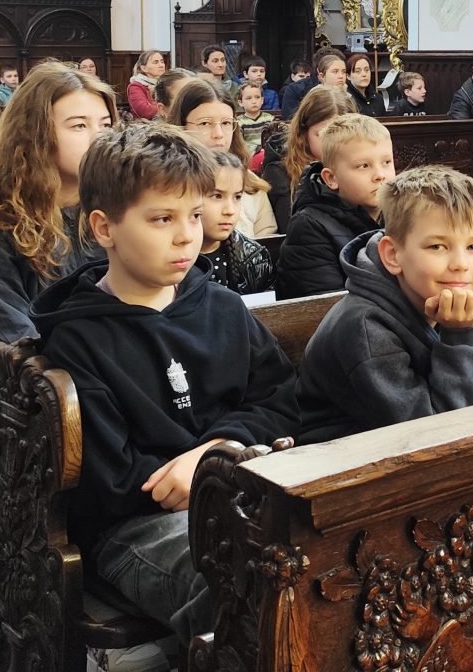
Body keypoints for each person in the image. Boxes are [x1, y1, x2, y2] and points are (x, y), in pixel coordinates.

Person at [31, 122, 298, 639]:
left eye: (194, 215)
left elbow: (280, 400)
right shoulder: (77, 339)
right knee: (243, 578)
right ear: (104, 228)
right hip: (136, 527)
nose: (186, 235)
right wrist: (213, 471)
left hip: (240, 490)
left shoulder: (223, 307)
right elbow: (113, 483)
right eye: (162, 219)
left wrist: (216, 452)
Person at [0, 64, 117, 415]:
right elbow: (14, 347)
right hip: (11, 404)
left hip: (96, 387)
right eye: (79, 126)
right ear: (37, 135)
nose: (100, 139)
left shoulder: (113, 211)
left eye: (105, 125)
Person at [296, 165, 473, 442]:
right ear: (393, 255)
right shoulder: (364, 327)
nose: (461, 265)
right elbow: (428, 435)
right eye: (437, 247)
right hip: (347, 456)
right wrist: (460, 337)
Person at [274, 113, 393, 298]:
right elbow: (325, 304)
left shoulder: (399, 214)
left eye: (386, 162)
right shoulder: (309, 227)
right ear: (331, 178)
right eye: (363, 166)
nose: (380, 175)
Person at [169, 78, 277, 238]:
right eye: (205, 123)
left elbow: (266, 237)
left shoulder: (249, 182)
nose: (219, 134)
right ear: (182, 126)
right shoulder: (165, 184)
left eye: (226, 123)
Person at [264, 84, 356, 222]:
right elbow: (289, 226)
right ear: (304, 132)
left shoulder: (361, 165)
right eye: (321, 134)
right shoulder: (280, 172)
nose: (331, 144)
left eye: (341, 134)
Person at [198, 150, 275, 296]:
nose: (230, 210)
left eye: (237, 197)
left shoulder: (254, 258)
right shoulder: (172, 261)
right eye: (217, 196)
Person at [126, 50, 170, 120]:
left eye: (162, 61)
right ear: (144, 68)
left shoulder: (168, 83)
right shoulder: (135, 86)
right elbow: (145, 111)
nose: (161, 65)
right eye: (155, 62)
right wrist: (169, 107)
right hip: (145, 124)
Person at [236, 82, 276, 155]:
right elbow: (240, 145)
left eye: (257, 97)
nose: (254, 101)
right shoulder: (239, 122)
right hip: (249, 155)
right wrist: (257, 150)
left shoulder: (269, 119)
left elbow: (275, 139)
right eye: (249, 98)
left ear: (262, 100)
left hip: (268, 153)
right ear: (240, 102)